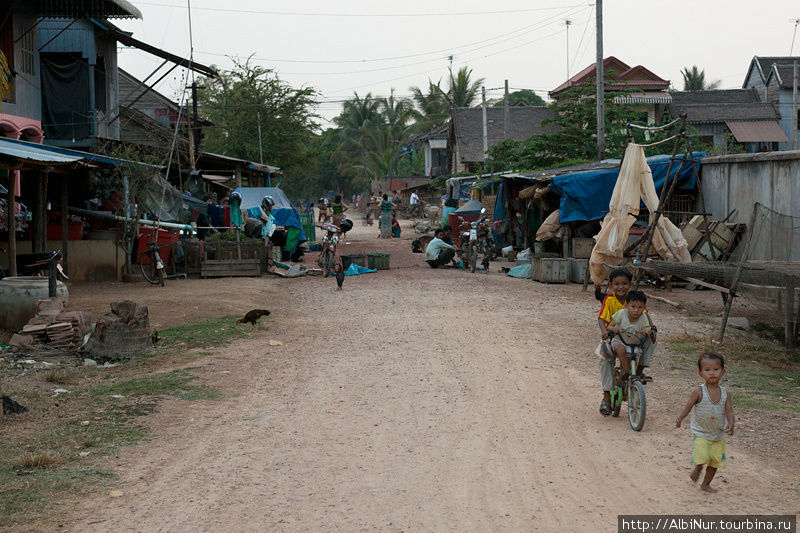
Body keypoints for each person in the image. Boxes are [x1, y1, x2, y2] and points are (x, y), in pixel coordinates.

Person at [597, 268, 655, 416]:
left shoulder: (635, 299)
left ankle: (638, 372)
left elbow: (646, 317)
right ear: (611, 285)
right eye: (617, 284)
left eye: (624, 284)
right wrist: (604, 331)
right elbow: (602, 319)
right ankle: (606, 397)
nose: (621, 287)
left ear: (630, 284)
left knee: (651, 340)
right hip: (615, 337)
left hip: (635, 336)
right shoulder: (609, 300)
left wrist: (652, 329)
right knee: (605, 358)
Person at [676, 353, 735, 493]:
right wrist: (680, 417)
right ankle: (698, 467)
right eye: (707, 370)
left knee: (715, 462)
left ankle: (705, 484)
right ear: (700, 373)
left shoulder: (725, 393)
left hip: (718, 435)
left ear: (723, 372)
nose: (712, 373)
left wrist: (731, 424)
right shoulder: (698, 391)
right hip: (701, 433)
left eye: (716, 369)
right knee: (702, 457)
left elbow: (729, 411)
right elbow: (688, 406)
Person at [606, 290, 656, 379]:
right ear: (626, 305)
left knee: (633, 359)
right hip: (620, 340)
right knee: (620, 350)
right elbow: (609, 326)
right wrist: (613, 329)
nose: (636, 310)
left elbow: (646, 329)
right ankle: (626, 371)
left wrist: (647, 331)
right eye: (633, 307)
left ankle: (633, 374)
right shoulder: (621, 313)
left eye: (640, 307)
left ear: (644, 307)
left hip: (634, 342)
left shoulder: (643, 317)